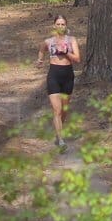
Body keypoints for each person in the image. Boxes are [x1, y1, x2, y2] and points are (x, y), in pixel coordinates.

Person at [36, 15, 81, 149]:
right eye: (58, 24)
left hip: (68, 75)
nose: (60, 26)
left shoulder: (72, 40)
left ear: (66, 26)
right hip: (53, 76)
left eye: (63, 24)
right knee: (57, 110)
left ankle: (58, 132)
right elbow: (41, 50)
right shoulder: (48, 41)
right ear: (54, 26)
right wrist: (40, 60)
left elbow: (78, 59)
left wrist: (66, 52)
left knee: (64, 111)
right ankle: (61, 140)